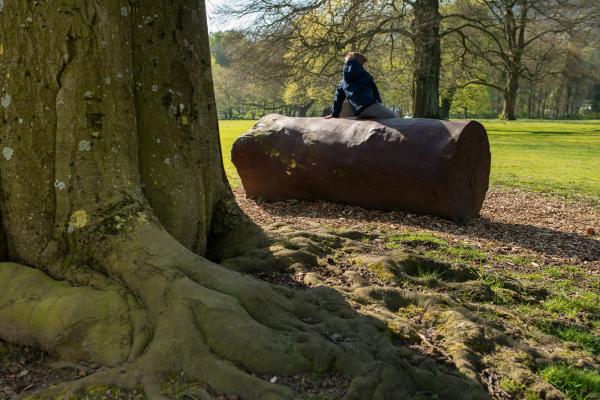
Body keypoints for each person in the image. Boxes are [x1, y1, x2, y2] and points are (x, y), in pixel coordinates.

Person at [324, 52, 397, 119]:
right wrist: (379, 106)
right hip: (369, 105)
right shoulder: (365, 74)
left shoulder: (342, 81)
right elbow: (375, 93)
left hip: (357, 111)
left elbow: (338, 98)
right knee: (394, 116)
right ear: (360, 63)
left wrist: (334, 114)